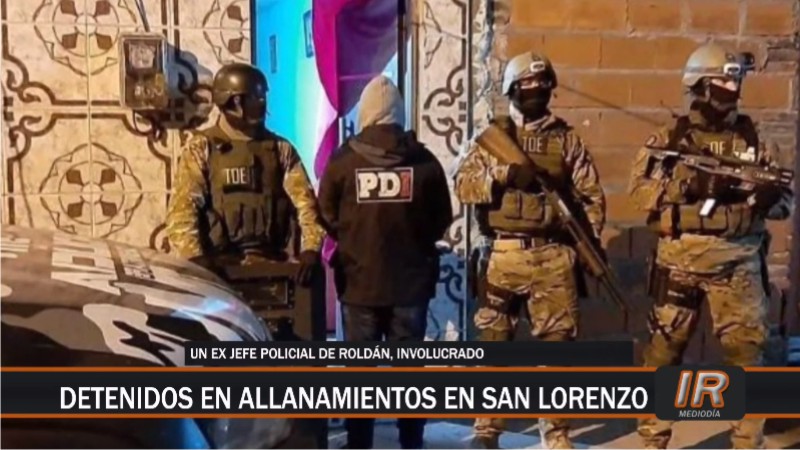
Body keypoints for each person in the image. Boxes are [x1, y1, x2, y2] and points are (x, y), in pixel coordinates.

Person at [628, 42, 794, 449]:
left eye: (735, 81)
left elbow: (785, 203)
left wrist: (765, 199)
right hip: (679, 261)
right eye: (722, 81)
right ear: (700, 85)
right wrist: (691, 185)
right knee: (663, 355)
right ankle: (653, 440)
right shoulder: (670, 139)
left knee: (746, 359)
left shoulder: (757, 141)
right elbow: (639, 193)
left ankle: (746, 443)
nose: (731, 88)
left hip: (739, 264)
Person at [454, 52, 606, 450]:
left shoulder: (567, 140)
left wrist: (586, 245)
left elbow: (591, 198)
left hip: (553, 255)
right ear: (512, 89)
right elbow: (464, 185)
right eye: (527, 85)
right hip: (504, 254)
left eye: (542, 84)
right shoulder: (492, 138)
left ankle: (556, 434)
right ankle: (487, 430)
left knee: (557, 353)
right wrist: (503, 174)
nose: (536, 90)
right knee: (494, 347)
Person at [318, 75, 452, 449]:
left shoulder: (343, 162)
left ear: (365, 113)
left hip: (359, 282)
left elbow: (325, 213)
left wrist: (354, 238)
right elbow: (442, 218)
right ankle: (412, 442)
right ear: (399, 112)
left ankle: (360, 443)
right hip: (411, 285)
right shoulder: (424, 161)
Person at [166, 62, 324, 286]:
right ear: (232, 102)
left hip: (273, 269)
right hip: (220, 272)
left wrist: (310, 250)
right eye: (253, 98)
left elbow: (306, 205)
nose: (261, 104)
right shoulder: (202, 148)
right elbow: (182, 211)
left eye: (261, 98)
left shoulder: (280, 149)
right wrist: (196, 259)